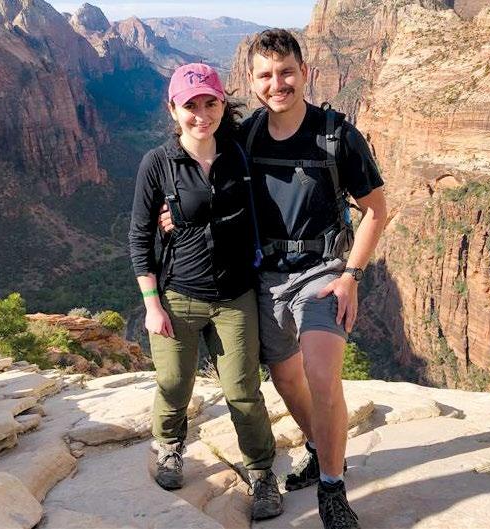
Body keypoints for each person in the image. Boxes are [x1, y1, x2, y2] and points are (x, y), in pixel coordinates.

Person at [160, 30, 387, 529]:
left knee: (322, 376)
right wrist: (177, 213)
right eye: (265, 75)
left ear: (305, 72)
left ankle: (332, 488)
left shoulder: (337, 135)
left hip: (322, 273)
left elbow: (376, 210)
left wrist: (351, 276)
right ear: (252, 80)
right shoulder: (246, 136)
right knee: (285, 379)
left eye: (286, 72)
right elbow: (201, 171)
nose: (277, 83)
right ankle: (319, 447)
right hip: (264, 275)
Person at [128, 62, 283, 521]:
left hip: (235, 298)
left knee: (243, 391)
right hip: (178, 296)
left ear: (222, 103)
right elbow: (139, 237)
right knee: (174, 383)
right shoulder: (158, 163)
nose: (201, 114)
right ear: (173, 110)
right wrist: (152, 304)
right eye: (190, 105)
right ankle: (169, 446)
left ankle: (261, 472)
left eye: (209, 103)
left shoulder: (240, 154)